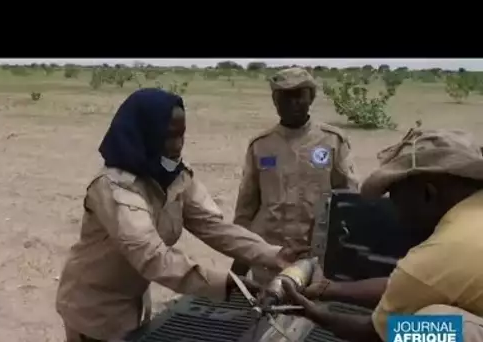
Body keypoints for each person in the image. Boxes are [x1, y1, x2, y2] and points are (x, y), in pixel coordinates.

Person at [55, 88, 310, 342]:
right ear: (145, 134)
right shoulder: (114, 187)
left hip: (132, 302)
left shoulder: (174, 177)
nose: (177, 146)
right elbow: (152, 256)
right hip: (94, 310)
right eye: (168, 136)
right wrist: (224, 283)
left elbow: (214, 226)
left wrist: (272, 254)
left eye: (181, 135)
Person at [281, 128, 483, 342]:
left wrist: (316, 314)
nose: (398, 215)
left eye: (397, 200)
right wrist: (328, 289)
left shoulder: (444, 250)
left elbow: (375, 332)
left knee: (432, 326)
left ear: (428, 193)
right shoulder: (464, 230)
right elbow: (418, 284)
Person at [231, 67, 358, 283]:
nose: (293, 103)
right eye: (285, 96)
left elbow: (349, 201)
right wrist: (239, 262)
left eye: (299, 95)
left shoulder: (332, 141)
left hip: (316, 259)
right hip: (269, 256)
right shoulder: (261, 145)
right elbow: (246, 207)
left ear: (311, 97)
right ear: (275, 100)